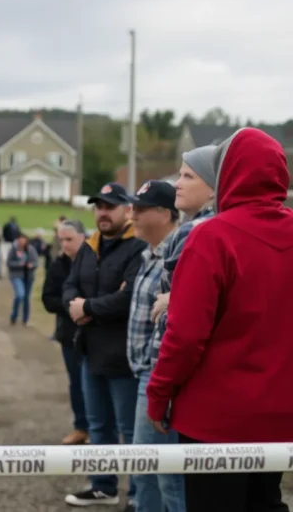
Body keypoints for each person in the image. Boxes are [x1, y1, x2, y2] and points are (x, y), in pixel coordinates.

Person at [147, 128, 293, 512]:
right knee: (265, 502)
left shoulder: (211, 237)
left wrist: (159, 393)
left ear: (227, 174)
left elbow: (185, 335)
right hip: (280, 415)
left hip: (215, 421)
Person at [62, 182, 147, 509]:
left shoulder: (137, 246)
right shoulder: (89, 245)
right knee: (98, 426)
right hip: (91, 352)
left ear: (127, 209)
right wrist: (77, 306)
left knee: (130, 431)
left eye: (110, 206)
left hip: (125, 357)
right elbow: (71, 286)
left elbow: (129, 299)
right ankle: (103, 487)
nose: (103, 212)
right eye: (99, 206)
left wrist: (87, 308)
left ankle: (139, 497)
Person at [123, 180, 185, 512]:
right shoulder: (149, 254)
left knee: (161, 471)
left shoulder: (177, 256)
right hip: (144, 372)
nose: (131, 214)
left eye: (140, 208)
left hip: (158, 375)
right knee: (147, 468)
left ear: (164, 213)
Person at [149, 145, 217, 360]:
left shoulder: (193, 231)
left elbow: (179, 317)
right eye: (179, 175)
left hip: (180, 359)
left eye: (188, 176)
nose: (177, 184)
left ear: (213, 187)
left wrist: (170, 301)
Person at [41, 219, 89, 445]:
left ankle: (101, 429)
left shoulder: (95, 260)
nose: (64, 245)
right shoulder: (57, 265)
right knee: (76, 383)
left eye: (69, 239)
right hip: (69, 335)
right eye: (61, 240)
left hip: (96, 334)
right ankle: (81, 427)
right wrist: (71, 307)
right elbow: (47, 299)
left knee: (97, 383)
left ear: (83, 237)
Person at [6, 232, 39, 326]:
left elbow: (36, 262)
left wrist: (32, 265)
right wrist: (19, 264)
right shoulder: (13, 249)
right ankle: (14, 315)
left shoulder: (31, 249)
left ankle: (25, 319)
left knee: (26, 298)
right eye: (20, 239)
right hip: (16, 275)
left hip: (28, 277)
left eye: (24, 240)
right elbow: (8, 263)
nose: (22, 242)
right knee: (20, 295)